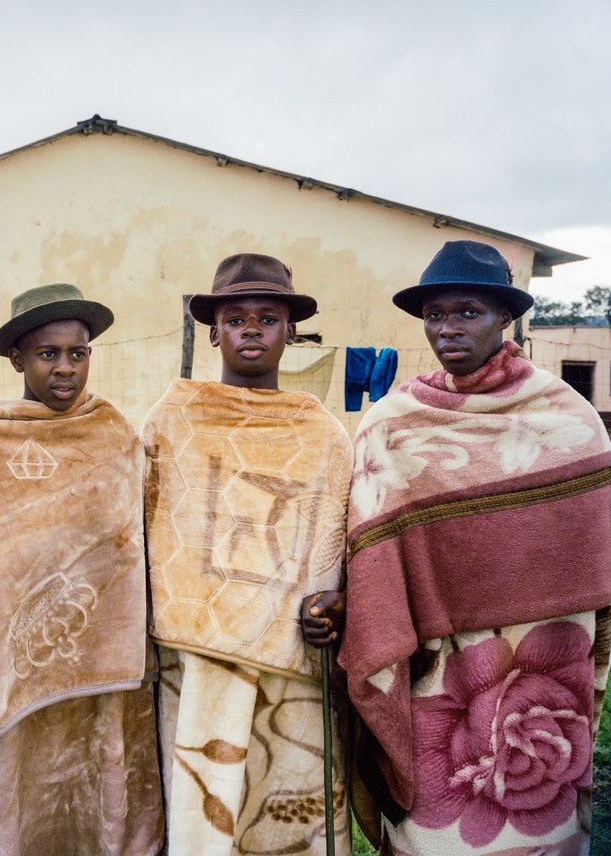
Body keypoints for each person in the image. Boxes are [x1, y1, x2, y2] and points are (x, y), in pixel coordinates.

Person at [319, 239, 611, 854]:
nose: (447, 328)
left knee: (542, 803)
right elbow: (372, 553)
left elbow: (602, 543)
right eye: (435, 314)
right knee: (439, 815)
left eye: (467, 312)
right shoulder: (393, 423)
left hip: (546, 657)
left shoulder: (566, 416)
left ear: (505, 318)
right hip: (439, 670)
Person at [144, 253, 352, 856]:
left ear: (292, 331)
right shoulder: (173, 420)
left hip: (293, 657)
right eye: (236, 318)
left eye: (268, 317)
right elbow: (145, 525)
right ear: (214, 332)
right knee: (202, 801)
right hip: (194, 655)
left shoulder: (322, 432)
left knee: (290, 797)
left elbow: (343, 536)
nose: (252, 329)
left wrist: (337, 602)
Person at [0, 283, 164, 856]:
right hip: (15, 664)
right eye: (48, 354)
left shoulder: (113, 435)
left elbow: (128, 543)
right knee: (25, 788)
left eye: (78, 353)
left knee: (101, 781)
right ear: (17, 359)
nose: (66, 368)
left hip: (104, 662)